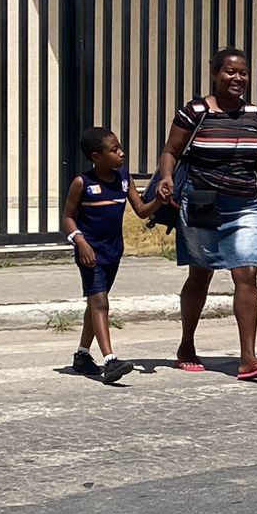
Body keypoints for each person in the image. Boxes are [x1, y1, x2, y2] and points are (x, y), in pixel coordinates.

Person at [155, 48, 257, 381]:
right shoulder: (195, 112)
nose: (238, 78)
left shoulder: (254, 116)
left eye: (243, 73)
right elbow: (171, 152)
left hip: (245, 207)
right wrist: (166, 177)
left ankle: (248, 358)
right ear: (215, 73)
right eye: (230, 72)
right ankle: (186, 346)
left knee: (246, 275)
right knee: (201, 275)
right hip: (202, 204)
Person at [60, 126, 163, 385]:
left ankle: (82, 355)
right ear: (96, 156)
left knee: (95, 304)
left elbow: (141, 210)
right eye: (114, 149)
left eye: (120, 147)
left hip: (113, 252)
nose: (121, 153)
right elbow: (68, 217)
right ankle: (110, 360)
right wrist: (79, 241)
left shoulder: (124, 179)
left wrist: (160, 200)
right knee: (100, 303)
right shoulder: (82, 183)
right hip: (90, 254)